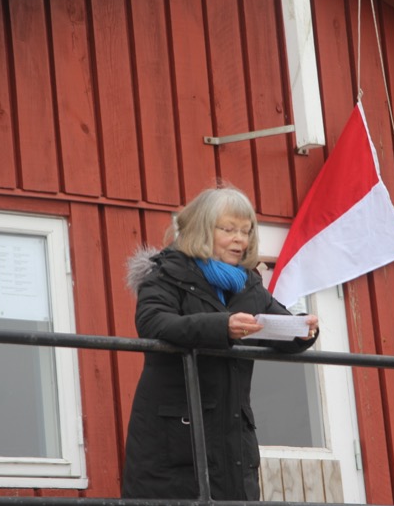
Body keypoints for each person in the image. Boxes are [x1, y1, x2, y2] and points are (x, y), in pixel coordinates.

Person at [122, 184, 319, 500]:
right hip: (176, 438)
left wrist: (303, 329)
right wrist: (221, 327)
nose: (240, 239)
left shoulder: (249, 285)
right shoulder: (166, 274)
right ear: (201, 229)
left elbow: (281, 330)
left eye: (246, 231)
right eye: (228, 229)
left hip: (233, 438)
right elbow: (153, 323)